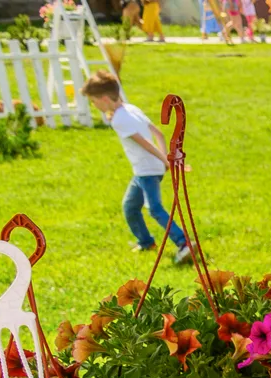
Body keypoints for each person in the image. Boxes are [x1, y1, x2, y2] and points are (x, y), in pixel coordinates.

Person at [82, 72, 193, 266]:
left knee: (155, 208)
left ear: (105, 99)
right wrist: (164, 158)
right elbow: (158, 133)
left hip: (147, 170)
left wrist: (167, 161)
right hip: (148, 168)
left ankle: (184, 243)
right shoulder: (131, 109)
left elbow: (144, 144)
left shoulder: (120, 119)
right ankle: (146, 243)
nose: (94, 106)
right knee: (131, 207)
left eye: (94, 101)